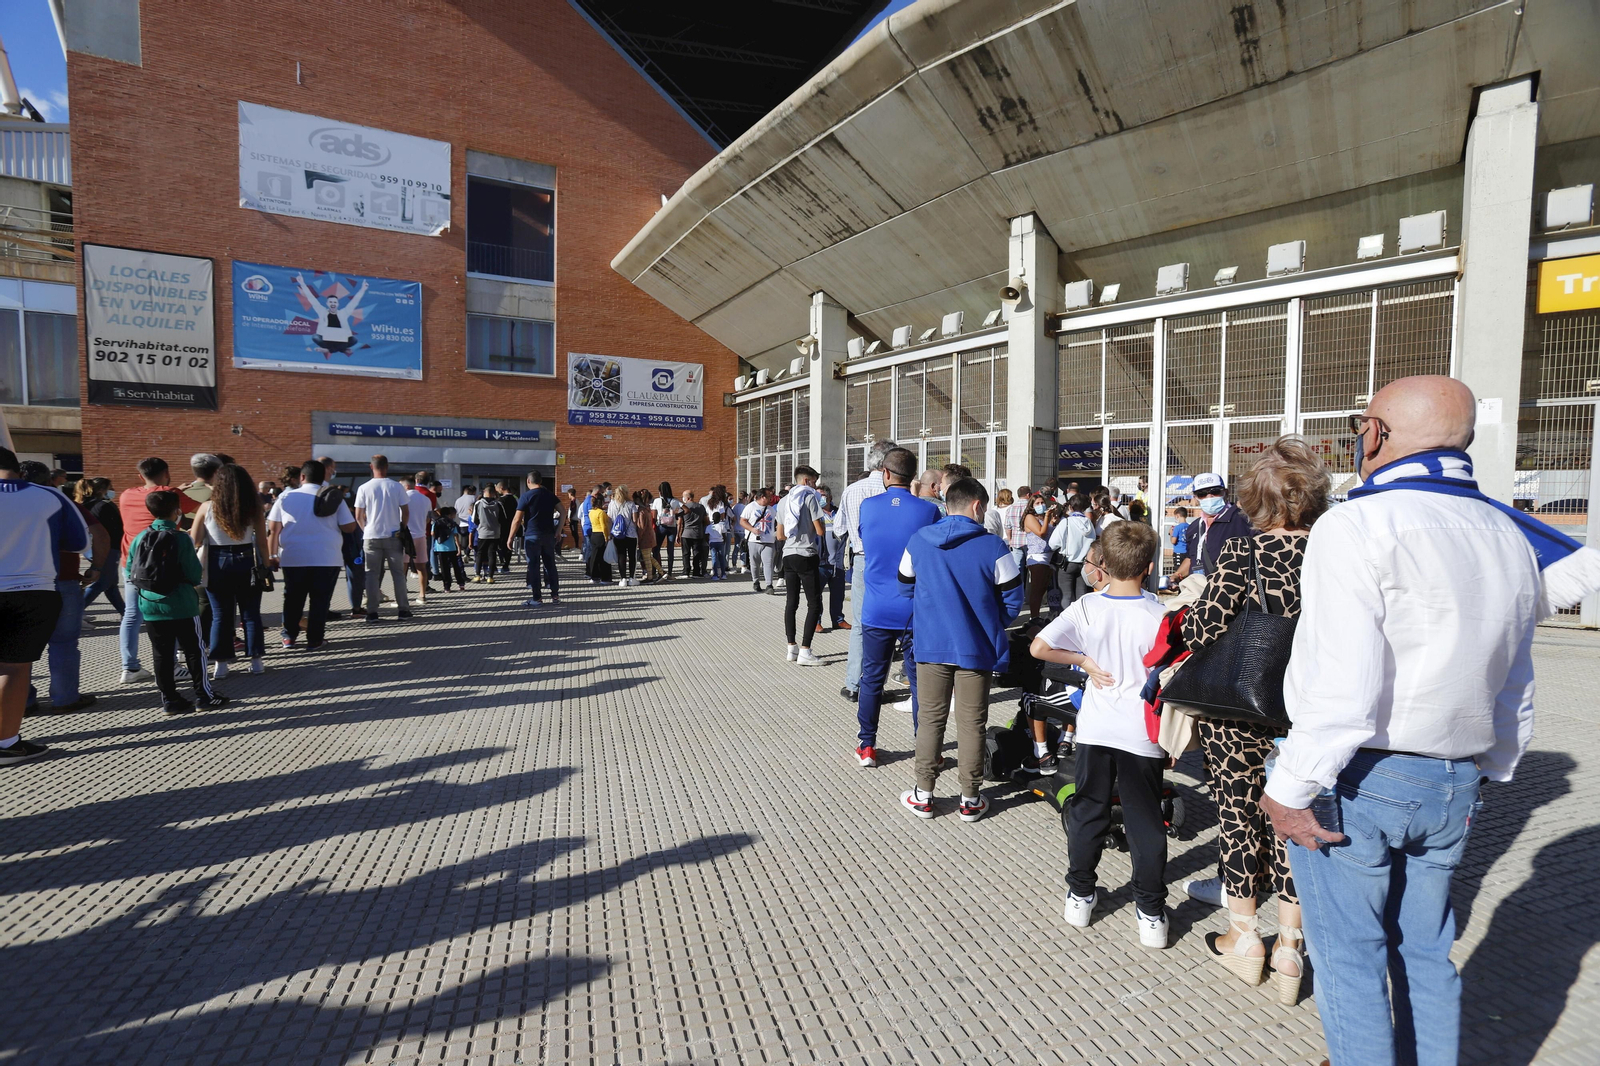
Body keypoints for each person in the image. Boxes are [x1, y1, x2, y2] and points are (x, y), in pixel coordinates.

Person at [1263, 377, 1541, 1066]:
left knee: (1352, 963)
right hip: (1455, 778)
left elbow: (1342, 683)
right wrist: (1494, 764)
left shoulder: (1357, 523)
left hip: (1360, 775)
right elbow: (1517, 677)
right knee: (1426, 953)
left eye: (1361, 425)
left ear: (1377, 433)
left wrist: (1290, 787)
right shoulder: (1508, 531)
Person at [1177, 438, 1329, 1004]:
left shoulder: (1243, 551)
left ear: (1254, 501)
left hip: (1239, 709)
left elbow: (1203, 629)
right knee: (1296, 821)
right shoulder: (1332, 552)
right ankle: (1291, 948)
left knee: (1238, 814)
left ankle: (1245, 941)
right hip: (1309, 710)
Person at [1032, 520, 1169, 948]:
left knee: (1089, 808)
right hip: (1143, 731)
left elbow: (1038, 647)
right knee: (1144, 817)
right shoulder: (1161, 614)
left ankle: (1080, 894)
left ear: (1103, 563)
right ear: (1148, 566)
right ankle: (1150, 913)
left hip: (1096, 727)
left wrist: (1083, 662)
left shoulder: (1088, 607)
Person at [897, 477, 1024, 821]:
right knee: (972, 723)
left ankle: (923, 794)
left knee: (930, 719)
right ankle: (970, 799)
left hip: (930, 646)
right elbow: (1014, 598)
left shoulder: (919, 540)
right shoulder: (994, 546)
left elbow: (905, 584)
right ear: (977, 506)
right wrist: (989, 621)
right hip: (976, 647)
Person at [854, 448, 939, 766]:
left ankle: (867, 746)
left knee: (872, 678)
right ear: (914, 477)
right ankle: (925, 748)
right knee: (919, 682)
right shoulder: (928, 511)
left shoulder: (868, 507)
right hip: (914, 609)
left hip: (876, 608)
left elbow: (866, 541)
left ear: (885, 473)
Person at [1, 451, 89, 757]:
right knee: (14, 667)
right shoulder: (50, 496)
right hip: (33, 589)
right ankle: (7, 743)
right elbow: (78, 542)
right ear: (16, 468)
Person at [126, 489, 227, 713]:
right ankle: (204, 696)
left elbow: (129, 570)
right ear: (176, 511)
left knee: (161, 654)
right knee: (194, 650)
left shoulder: (140, 537)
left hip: (150, 605)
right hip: (182, 604)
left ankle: (170, 700)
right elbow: (194, 574)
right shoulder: (181, 538)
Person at [17, 463, 104, 715]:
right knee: (64, 643)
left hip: (20, 584)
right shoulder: (61, 502)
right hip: (62, 580)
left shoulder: (8, 504)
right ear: (51, 479)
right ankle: (65, 698)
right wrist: (96, 567)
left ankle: (21, 700)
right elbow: (100, 534)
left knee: (18, 646)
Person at [117, 457, 200, 684]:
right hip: (163, 564)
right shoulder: (171, 493)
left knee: (132, 614)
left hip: (132, 562)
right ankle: (172, 666)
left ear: (140, 475)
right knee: (167, 613)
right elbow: (200, 507)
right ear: (167, 472)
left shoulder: (125, 495)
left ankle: (129, 667)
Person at [268, 460, 358, 650]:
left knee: (292, 599)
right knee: (320, 600)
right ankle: (315, 639)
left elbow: (273, 529)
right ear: (324, 477)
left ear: (302, 477)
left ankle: (289, 637)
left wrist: (272, 554)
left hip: (294, 557)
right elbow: (349, 527)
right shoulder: (333, 497)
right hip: (327, 557)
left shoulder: (286, 497)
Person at [190, 463, 267, 678]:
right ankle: (256, 660)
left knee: (220, 615)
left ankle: (221, 665)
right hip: (247, 560)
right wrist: (266, 565)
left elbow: (195, 540)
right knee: (251, 613)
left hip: (217, 561)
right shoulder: (253, 507)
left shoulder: (207, 507)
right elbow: (262, 542)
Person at [835, 439, 896, 701]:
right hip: (892, 561)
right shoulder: (892, 490)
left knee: (860, 624)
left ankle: (852, 685)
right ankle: (876, 687)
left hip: (862, 559)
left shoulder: (852, 489)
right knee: (887, 624)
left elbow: (839, 529)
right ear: (887, 465)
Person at [776, 466, 827, 666]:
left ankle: (792, 648)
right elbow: (820, 531)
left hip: (788, 555)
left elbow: (780, 535)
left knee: (791, 602)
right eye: (814, 482)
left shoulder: (782, 501)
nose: (815, 486)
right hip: (806, 553)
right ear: (806, 481)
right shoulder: (810, 498)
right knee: (814, 603)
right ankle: (806, 650)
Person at [1168, 472, 1254, 584]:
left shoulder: (1244, 521)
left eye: (1215, 491)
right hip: (1200, 592)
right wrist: (1176, 575)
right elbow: (1191, 558)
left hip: (1231, 592)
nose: (1209, 497)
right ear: (1195, 498)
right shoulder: (1194, 527)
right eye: (1202, 494)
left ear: (1226, 493)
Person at [355, 455, 412, 621]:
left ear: (371, 467)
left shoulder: (363, 488)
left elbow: (359, 515)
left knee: (371, 574)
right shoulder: (396, 487)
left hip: (371, 536)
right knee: (398, 574)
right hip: (393, 535)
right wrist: (401, 527)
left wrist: (366, 529)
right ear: (387, 467)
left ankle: (372, 612)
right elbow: (406, 512)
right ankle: (403, 610)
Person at [508, 471, 564, 605]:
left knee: (533, 566)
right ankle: (555, 596)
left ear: (528, 481)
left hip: (532, 535)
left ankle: (537, 598)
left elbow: (517, 519)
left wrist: (510, 537)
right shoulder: (550, 495)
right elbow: (562, 511)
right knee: (550, 565)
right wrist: (558, 530)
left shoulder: (526, 496)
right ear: (541, 481)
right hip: (549, 535)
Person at [81, 478, 126, 615]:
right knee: (101, 584)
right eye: (110, 487)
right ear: (102, 490)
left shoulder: (86, 504)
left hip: (91, 548)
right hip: (108, 548)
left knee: (111, 586)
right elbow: (117, 528)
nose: (112, 490)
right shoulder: (105, 505)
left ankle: (125, 613)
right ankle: (72, 613)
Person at [1049, 493, 1095, 608]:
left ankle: (1067, 620)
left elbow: (1053, 544)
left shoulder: (1066, 522)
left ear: (1070, 507)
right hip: (1084, 563)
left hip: (1067, 562)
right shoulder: (1089, 523)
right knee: (1082, 595)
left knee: (1066, 595)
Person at [1021, 492, 1059, 620]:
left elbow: (1048, 532)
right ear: (1031, 505)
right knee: (1037, 590)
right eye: (1037, 503)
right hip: (1037, 557)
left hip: (1049, 556)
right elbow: (1041, 533)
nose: (1041, 505)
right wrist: (1048, 516)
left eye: (1042, 503)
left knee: (1043, 588)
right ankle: (1034, 617)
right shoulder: (1030, 517)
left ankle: (1039, 615)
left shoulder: (1043, 518)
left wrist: (1052, 522)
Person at [819, 487, 849, 631]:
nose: (821, 499)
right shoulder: (815, 514)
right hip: (821, 562)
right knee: (816, 595)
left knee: (838, 594)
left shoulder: (839, 513)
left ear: (830, 497)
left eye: (823, 496)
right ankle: (816, 621)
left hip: (838, 562)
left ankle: (838, 620)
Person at [401, 476, 434, 605]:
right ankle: (422, 595)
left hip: (405, 536)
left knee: (402, 568)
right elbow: (428, 518)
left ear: (406, 486)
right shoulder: (426, 499)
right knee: (421, 567)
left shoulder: (402, 498)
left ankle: (402, 597)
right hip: (420, 535)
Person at [741, 488, 777, 592]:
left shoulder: (771, 509)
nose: (771, 499)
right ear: (762, 497)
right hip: (753, 540)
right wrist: (752, 529)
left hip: (769, 540)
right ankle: (756, 582)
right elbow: (742, 521)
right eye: (769, 497)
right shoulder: (750, 507)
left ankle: (769, 585)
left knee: (768, 563)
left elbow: (776, 522)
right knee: (755, 564)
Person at [430, 506, 468, 591]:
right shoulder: (452, 523)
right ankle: (461, 584)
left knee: (444, 568)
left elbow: (432, 533)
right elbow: (455, 535)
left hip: (440, 548)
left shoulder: (436, 522)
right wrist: (458, 547)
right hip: (452, 547)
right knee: (456, 566)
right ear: (449, 514)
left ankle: (447, 587)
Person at [608, 485, 640, 586]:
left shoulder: (611, 504)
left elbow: (609, 519)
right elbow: (635, 520)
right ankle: (632, 578)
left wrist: (610, 532)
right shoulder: (631, 504)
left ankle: (623, 579)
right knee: (632, 556)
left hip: (617, 534)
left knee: (621, 556)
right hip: (631, 534)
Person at [471, 485, 503, 582]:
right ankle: (490, 577)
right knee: (492, 554)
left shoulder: (478, 504)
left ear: (484, 492)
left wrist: (480, 526)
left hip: (482, 533)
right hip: (495, 533)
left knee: (480, 554)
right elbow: (502, 519)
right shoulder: (498, 504)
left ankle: (477, 575)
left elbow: (474, 519)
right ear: (493, 493)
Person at [636, 491, 665, 582]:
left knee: (647, 558)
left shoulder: (641, 511)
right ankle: (662, 572)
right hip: (650, 535)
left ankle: (650, 577)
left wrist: (638, 538)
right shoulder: (647, 509)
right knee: (649, 557)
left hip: (645, 537)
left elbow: (641, 527)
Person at [679, 490, 709, 577]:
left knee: (686, 553)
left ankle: (686, 571)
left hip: (686, 533)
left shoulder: (683, 507)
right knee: (697, 553)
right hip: (698, 533)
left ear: (687, 498)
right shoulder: (701, 507)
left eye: (683, 497)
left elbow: (680, 522)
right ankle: (696, 571)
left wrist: (678, 534)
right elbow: (706, 520)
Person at [585, 489, 613, 583]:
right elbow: (604, 526)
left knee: (594, 556)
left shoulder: (591, 512)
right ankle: (605, 577)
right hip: (601, 534)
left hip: (594, 533)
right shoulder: (601, 513)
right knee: (604, 557)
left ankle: (594, 575)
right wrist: (607, 537)